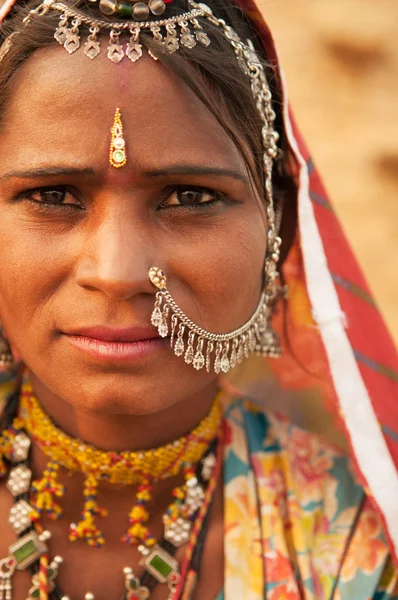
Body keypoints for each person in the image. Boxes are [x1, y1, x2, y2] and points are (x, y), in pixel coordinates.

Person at [0, 0, 397, 597]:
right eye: (53, 194)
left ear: (280, 228)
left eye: (189, 197)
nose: (117, 272)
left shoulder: (353, 539)